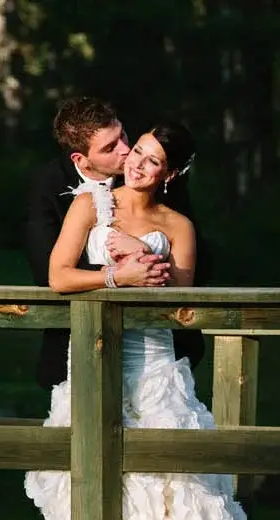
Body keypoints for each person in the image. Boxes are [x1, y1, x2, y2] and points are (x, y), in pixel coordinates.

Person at [24, 121, 280, 520]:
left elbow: (181, 305)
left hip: (151, 361)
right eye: (138, 151)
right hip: (93, 352)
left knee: (172, 478)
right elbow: (59, 275)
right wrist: (116, 275)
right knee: (91, 470)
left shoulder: (178, 226)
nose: (136, 162)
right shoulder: (90, 204)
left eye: (151, 160)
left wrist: (150, 272)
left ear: (170, 173)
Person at [23, 96, 204, 390]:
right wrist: (120, 275)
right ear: (81, 160)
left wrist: (142, 250)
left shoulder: (166, 193)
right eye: (110, 148)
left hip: (157, 353)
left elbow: (191, 269)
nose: (126, 154)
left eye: (124, 137)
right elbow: (50, 273)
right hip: (85, 337)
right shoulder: (53, 189)